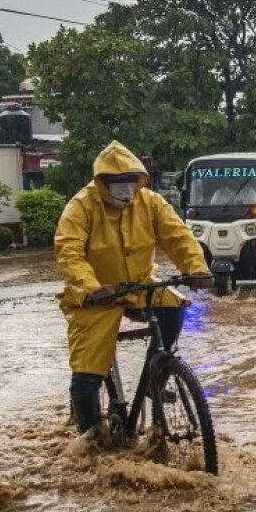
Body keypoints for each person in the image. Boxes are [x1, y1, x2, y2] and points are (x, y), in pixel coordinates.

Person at [54, 141, 212, 437]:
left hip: (141, 285)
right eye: (118, 183)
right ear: (103, 183)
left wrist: (196, 269)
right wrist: (90, 287)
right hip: (95, 297)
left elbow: (178, 236)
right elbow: (69, 253)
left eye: (130, 182)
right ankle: (91, 441)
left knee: (174, 306)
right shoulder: (81, 207)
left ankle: (158, 376)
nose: (126, 189)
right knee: (87, 375)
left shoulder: (150, 202)